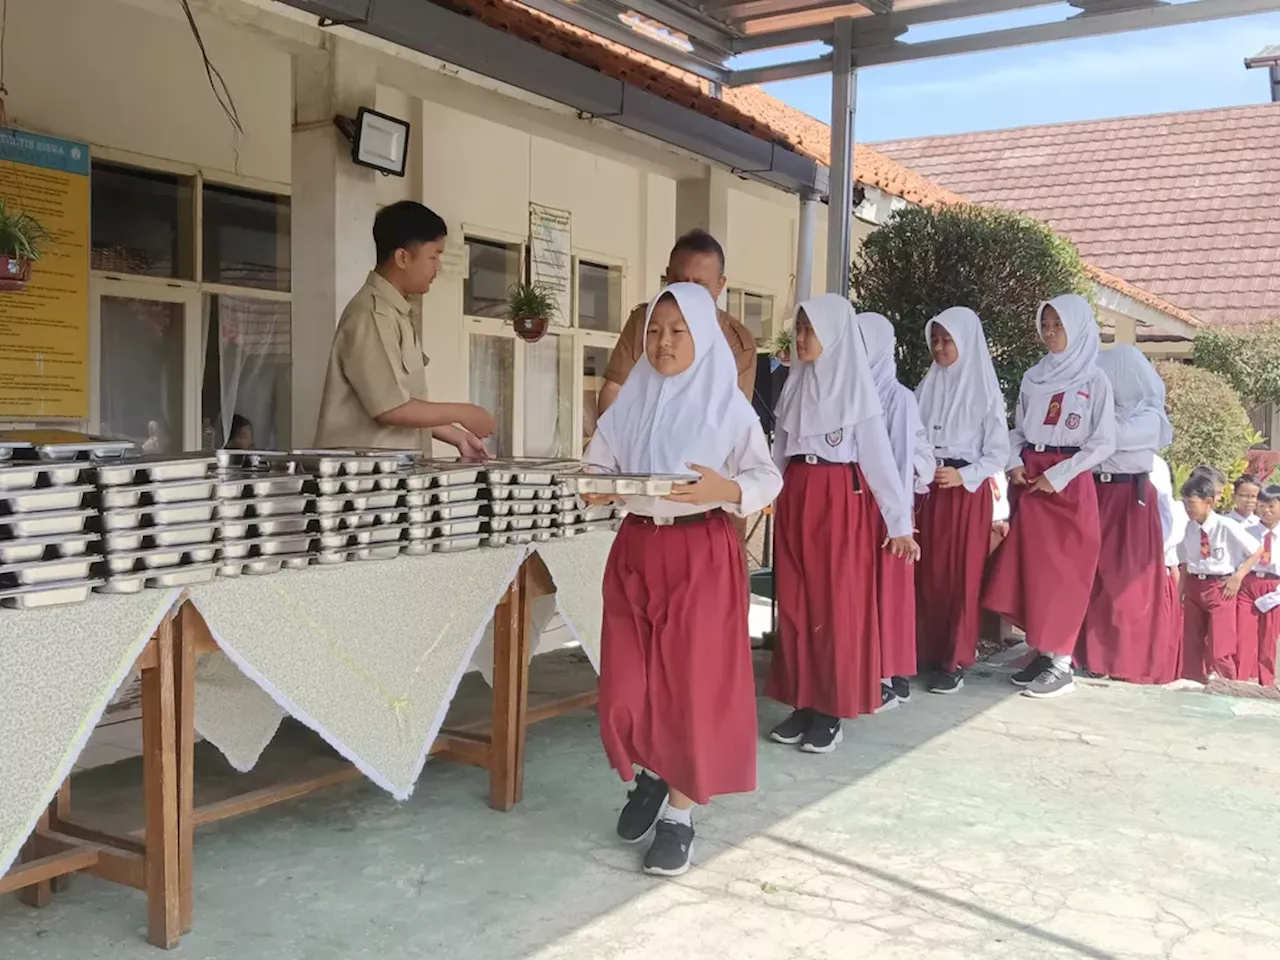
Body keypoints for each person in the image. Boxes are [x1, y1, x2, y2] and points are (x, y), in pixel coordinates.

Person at [586, 283, 782, 878]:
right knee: (627, 681)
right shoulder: (633, 401)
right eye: (654, 331)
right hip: (637, 548)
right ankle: (652, 769)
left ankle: (679, 816)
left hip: (700, 549)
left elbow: (765, 477)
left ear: (702, 336)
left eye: (677, 331)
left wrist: (726, 490)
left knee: (690, 686)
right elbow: (599, 463)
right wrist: (601, 487)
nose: (662, 342)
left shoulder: (727, 405)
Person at [767, 295, 918, 754]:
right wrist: (764, 493)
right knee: (796, 601)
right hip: (798, 494)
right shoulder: (795, 387)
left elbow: (878, 462)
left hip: (839, 499)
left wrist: (899, 523)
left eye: (810, 331)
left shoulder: (857, 394)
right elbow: (780, 452)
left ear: (834, 335)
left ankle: (830, 708)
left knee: (834, 606)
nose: (801, 339)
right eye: (799, 329)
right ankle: (803, 702)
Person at [983, 294, 1116, 700]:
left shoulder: (1094, 380)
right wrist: (1013, 462)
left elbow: (1103, 440)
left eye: (1058, 325)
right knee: (1034, 572)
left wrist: (1058, 476)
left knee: (1065, 573)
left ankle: (1062, 662)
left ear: (1076, 328)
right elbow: (1019, 430)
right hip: (1031, 480)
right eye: (1046, 324)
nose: (1051, 333)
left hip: (1068, 483)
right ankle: (1042, 650)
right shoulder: (1033, 377)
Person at [314, 201, 494, 456]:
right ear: (402, 258)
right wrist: (463, 411)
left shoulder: (396, 314)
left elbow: (404, 403)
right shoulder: (371, 315)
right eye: (433, 256)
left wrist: (457, 436)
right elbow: (392, 409)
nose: (438, 266)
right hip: (364, 484)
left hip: (390, 477)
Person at [913, 307, 1010, 695]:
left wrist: (962, 475)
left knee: (960, 576)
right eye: (935, 340)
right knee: (927, 573)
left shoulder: (985, 391)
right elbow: (913, 435)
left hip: (966, 493)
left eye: (947, 340)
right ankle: (924, 651)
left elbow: (997, 454)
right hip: (929, 487)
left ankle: (953, 660)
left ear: (965, 342)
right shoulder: (928, 385)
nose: (940, 347)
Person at [1078, 346, 1179, 684]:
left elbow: (1110, 438)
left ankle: (1122, 662)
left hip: (1128, 499)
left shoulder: (1149, 415)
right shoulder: (1102, 409)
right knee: (1091, 579)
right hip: (1096, 492)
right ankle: (1088, 657)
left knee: (1125, 586)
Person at [856, 312, 933, 708]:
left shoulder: (896, 397)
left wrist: (897, 518)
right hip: (858, 505)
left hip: (886, 509)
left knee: (886, 589)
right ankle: (874, 669)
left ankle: (887, 674)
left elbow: (901, 460)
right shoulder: (850, 391)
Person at [597, 230, 755, 414]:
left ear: (720, 284)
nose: (687, 292)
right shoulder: (644, 321)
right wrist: (614, 439)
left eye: (699, 284)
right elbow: (614, 390)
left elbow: (733, 416)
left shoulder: (737, 340)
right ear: (667, 276)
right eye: (679, 281)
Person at [1177, 471, 1261, 682]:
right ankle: (1193, 683)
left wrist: (1238, 576)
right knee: (1192, 643)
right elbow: (1186, 563)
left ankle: (1228, 685)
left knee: (1220, 648)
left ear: (1209, 502)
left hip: (1220, 586)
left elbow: (1256, 551)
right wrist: (1181, 592)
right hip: (1196, 585)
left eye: (1192, 503)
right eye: (1185, 503)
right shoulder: (1189, 528)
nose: (1188, 508)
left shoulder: (1227, 526)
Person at [1238, 484, 1280, 685]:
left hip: (1274, 586)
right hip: (1249, 584)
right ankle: (1241, 679)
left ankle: (1267, 682)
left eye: (1271, 506)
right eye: (1262, 505)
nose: (1266, 510)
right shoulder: (1246, 531)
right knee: (1243, 636)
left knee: (1268, 638)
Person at [1151, 454, 1187, 682]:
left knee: (1161, 633)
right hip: (1144, 573)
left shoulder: (1175, 512)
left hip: (1160, 574)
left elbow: (1172, 560)